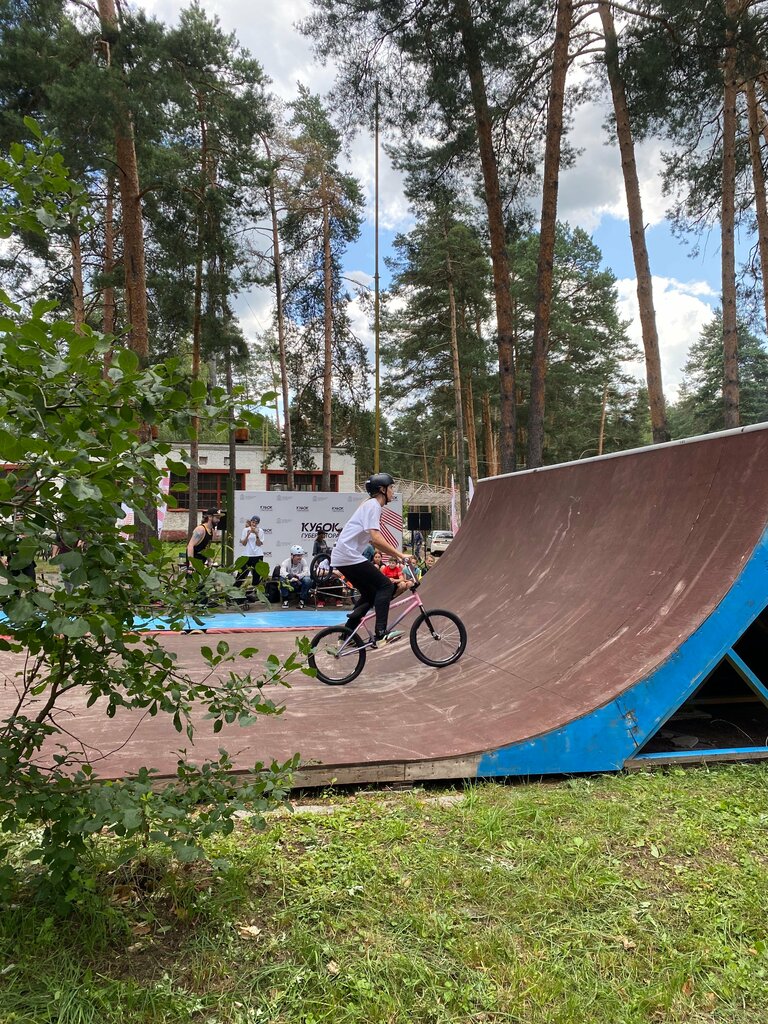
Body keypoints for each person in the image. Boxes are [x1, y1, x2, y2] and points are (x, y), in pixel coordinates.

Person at [331, 472, 412, 646]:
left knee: (370, 593)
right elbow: (376, 538)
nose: (393, 491)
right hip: (347, 556)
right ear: (381, 490)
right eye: (391, 488)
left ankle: (346, 636)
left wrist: (396, 555)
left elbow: (374, 540)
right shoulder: (374, 505)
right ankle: (381, 633)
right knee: (386, 585)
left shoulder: (370, 505)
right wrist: (400, 555)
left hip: (344, 557)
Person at [186, 508, 221, 573]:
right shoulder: (201, 530)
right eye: (217, 518)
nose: (218, 520)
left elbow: (206, 548)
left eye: (219, 518)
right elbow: (190, 546)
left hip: (201, 563)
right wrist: (191, 564)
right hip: (194, 563)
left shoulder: (211, 531)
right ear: (210, 517)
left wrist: (210, 561)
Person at [236, 515, 264, 588]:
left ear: (258, 524)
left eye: (256, 523)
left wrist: (256, 534)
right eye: (253, 522)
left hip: (257, 555)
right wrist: (248, 534)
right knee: (242, 573)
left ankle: (254, 591)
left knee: (256, 574)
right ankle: (235, 588)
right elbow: (244, 543)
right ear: (251, 522)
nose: (254, 524)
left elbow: (259, 544)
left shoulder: (260, 531)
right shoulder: (245, 530)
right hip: (247, 555)